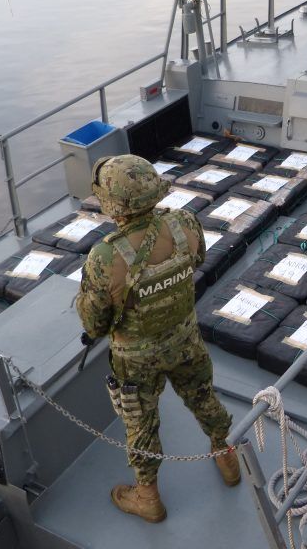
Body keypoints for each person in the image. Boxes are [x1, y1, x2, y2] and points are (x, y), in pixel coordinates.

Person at [76, 155, 239, 524]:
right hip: (185, 339)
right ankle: (226, 456)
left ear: (112, 203)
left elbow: (95, 324)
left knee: (141, 424)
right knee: (203, 396)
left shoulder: (104, 256)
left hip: (135, 359)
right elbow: (198, 259)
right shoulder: (185, 223)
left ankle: (147, 497)